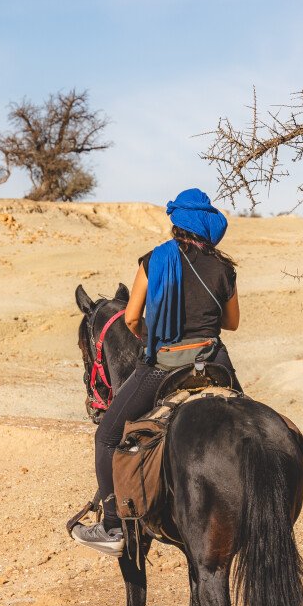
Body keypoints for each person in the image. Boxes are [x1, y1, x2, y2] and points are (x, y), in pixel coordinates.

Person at [72, 187, 241, 555]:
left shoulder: (153, 261)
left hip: (164, 366)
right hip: (214, 362)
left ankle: (114, 525)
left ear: (176, 224)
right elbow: (232, 323)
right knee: (246, 420)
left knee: (106, 435)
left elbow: (131, 318)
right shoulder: (224, 268)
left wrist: (155, 336)